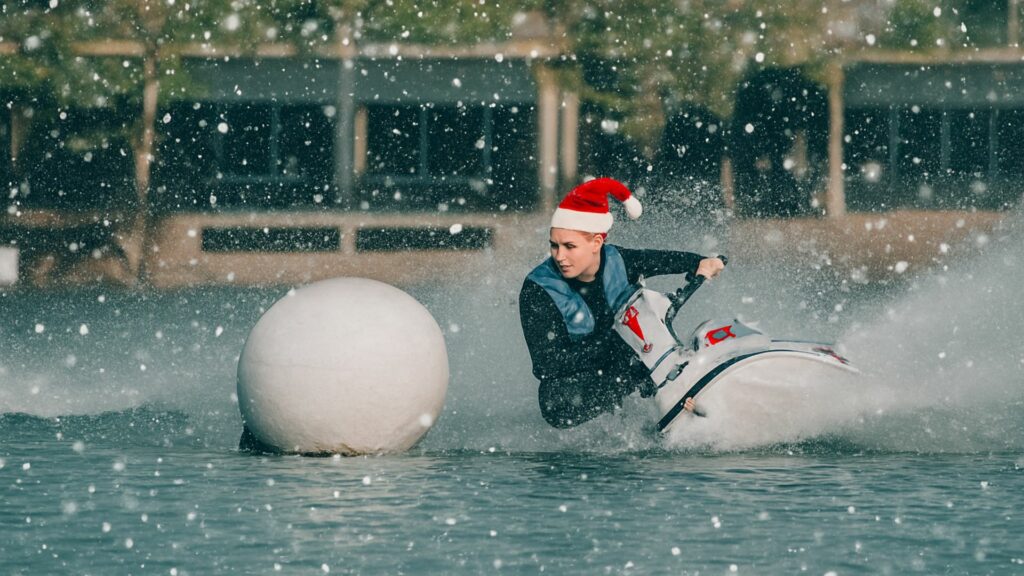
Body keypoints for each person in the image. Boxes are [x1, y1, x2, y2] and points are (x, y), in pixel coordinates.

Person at [518, 178, 724, 428]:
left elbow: (656, 260)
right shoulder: (537, 290)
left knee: (650, 351)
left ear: (596, 243)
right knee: (567, 398)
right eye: (554, 246)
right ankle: (652, 415)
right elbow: (546, 365)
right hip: (570, 389)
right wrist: (616, 345)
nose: (560, 256)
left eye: (570, 247)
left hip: (629, 359)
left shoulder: (619, 260)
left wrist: (699, 262)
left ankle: (694, 394)